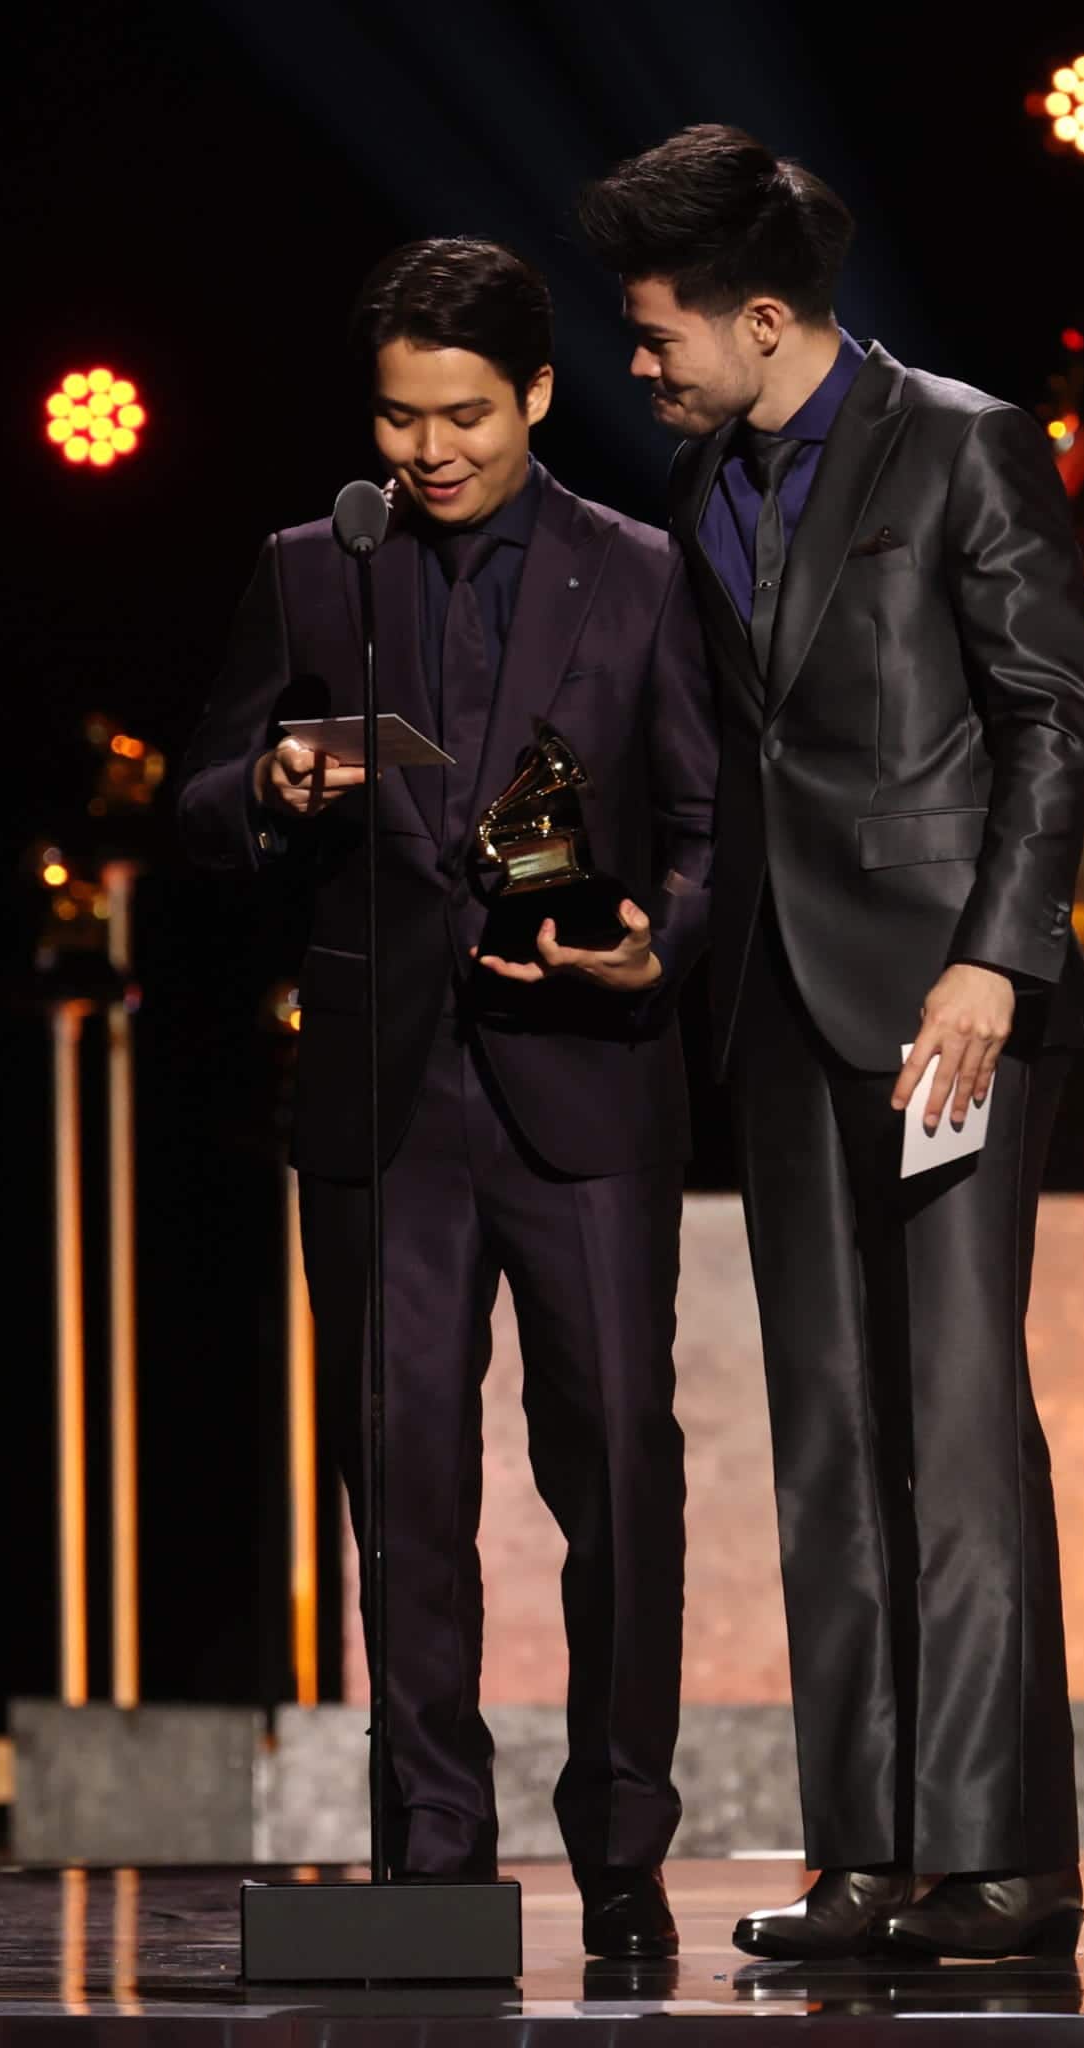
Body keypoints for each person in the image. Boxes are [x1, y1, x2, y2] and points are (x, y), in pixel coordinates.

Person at [580, 127, 1084, 1962]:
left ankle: (999, 1864)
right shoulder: (699, 490)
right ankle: (867, 1856)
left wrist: (996, 963)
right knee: (829, 1427)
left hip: (952, 1003)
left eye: (655, 336)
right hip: (785, 1008)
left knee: (955, 1422)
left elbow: (1054, 718)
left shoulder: (958, 440)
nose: (636, 367)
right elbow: (740, 767)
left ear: (759, 314)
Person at [175, 237, 718, 1960]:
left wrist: (657, 946)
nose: (430, 454)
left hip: (587, 1092)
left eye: (466, 417)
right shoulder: (311, 567)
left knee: (619, 1472)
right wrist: (264, 782)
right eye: (403, 419)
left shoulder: (636, 573)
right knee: (402, 1481)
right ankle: (434, 1862)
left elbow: (714, 835)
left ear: (539, 397)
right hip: (382, 1102)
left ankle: (623, 1854)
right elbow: (198, 806)